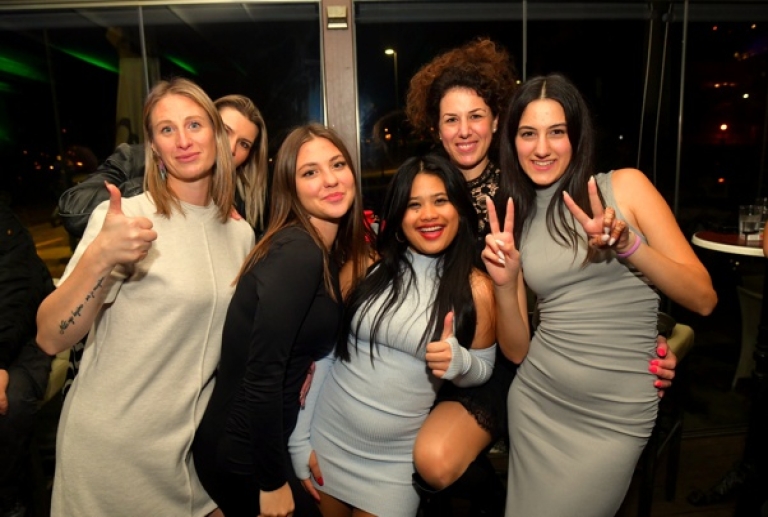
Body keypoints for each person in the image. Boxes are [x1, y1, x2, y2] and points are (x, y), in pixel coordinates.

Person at [403, 38, 678, 513]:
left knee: (436, 459)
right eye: (451, 120)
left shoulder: (522, 193)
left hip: (507, 361)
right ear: (435, 128)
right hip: (433, 353)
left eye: (476, 116)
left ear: (497, 122)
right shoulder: (425, 188)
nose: (464, 131)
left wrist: (653, 341)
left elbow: (588, 285)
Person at [483, 72, 717, 516]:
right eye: (528, 134)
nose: (542, 148)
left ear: (577, 136)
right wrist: (505, 281)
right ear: (512, 142)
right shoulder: (521, 219)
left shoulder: (625, 187)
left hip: (614, 415)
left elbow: (703, 298)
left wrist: (629, 245)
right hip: (537, 402)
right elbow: (516, 351)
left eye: (557, 132)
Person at [35, 77, 255, 516]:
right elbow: (49, 336)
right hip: (113, 454)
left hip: (190, 454)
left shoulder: (240, 233)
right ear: (154, 146)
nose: (183, 140)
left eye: (194, 124)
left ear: (217, 134)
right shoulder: (126, 219)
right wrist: (100, 258)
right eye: (166, 129)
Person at [289, 154, 525, 517]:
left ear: (459, 211)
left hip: (394, 468)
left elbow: (484, 367)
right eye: (414, 205)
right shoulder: (365, 265)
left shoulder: (477, 287)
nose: (428, 215)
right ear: (399, 217)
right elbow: (325, 356)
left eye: (440, 200)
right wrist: (299, 441)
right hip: (326, 443)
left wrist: (459, 363)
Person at [192, 123, 371, 517]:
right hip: (243, 453)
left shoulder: (320, 250)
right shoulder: (298, 251)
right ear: (291, 188)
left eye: (337, 164)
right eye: (310, 172)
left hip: (257, 444)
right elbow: (262, 375)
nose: (330, 180)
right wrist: (271, 482)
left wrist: (304, 361)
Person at [58, 93, 269, 239]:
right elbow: (74, 211)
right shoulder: (135, 158)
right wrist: (162, 187)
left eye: (244, 144)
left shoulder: (241, 204)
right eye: (225, 131)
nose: (231, 148)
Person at [0, 200, 55, 517]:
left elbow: (15, 293)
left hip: (23, 337)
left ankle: (11, 501)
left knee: (9, 403)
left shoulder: (4, 222)